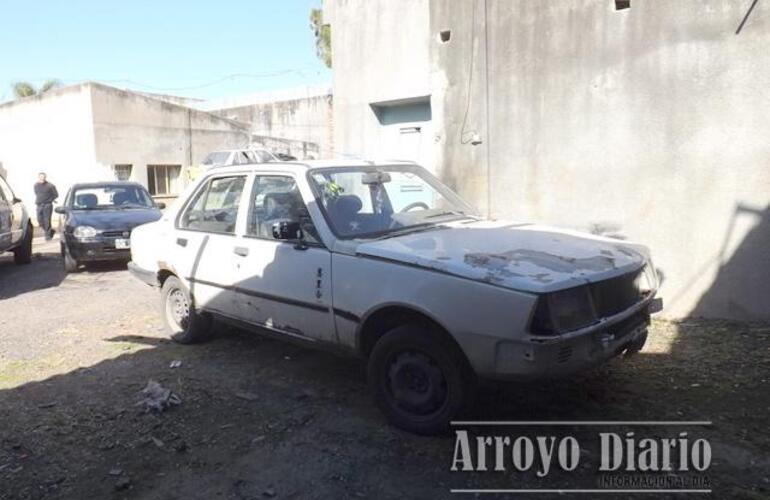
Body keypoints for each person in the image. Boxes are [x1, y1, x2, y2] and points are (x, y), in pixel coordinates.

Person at [34, 172, 58, 240]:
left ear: (45, 177)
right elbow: (36, 193)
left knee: (47, 220)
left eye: (43, 177)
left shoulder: (50, 186)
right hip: (39, 205)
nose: (42, 178)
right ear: (38, 177)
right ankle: (50, 231)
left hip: (47, 205)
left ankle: (47, 236)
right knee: (39, 221)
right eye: (41, 177)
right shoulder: (36, 185)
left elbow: (56, 194)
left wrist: (50, 199)